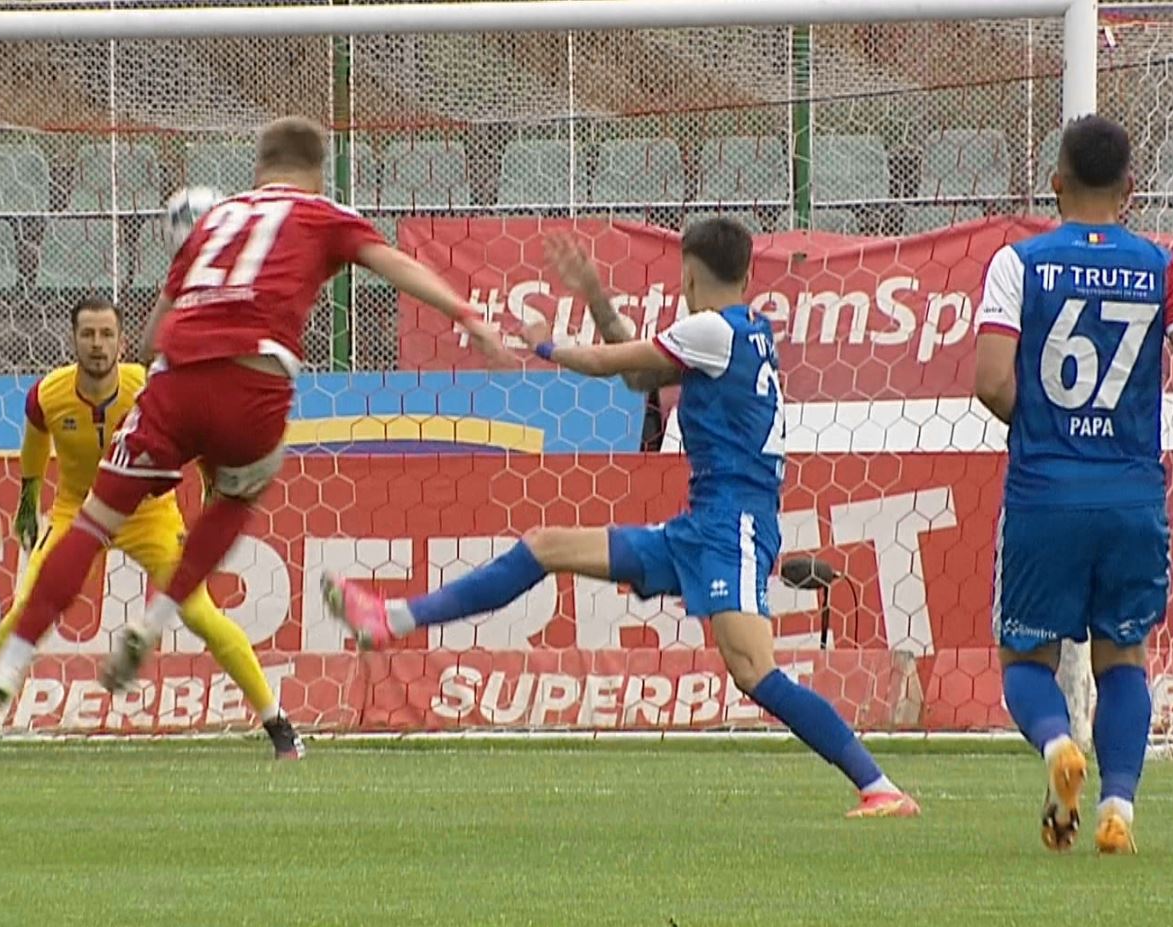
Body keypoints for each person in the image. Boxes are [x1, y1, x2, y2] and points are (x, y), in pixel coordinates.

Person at [324, 217, 920, 819]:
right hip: (703, 526)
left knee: (754, 671)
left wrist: (544, 346)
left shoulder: (712, 330)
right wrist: (594, 296)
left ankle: (879, 786)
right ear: (746, 272)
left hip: (732, 527)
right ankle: (392, 617)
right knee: (546, 546)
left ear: (688, 272)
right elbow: (641, 373)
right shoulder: (743, 331)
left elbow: (613, 366)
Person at [0, 115, 508, 715]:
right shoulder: (321, 214)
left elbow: (155, 329)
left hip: (175, 384)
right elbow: (393, 263)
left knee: (89, 526)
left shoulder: (213, 220)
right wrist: (468, 315)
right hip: (254, 384)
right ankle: (155, 621)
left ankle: (6, 671)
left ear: (259, 168)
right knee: (237, 495)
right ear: (316, 172)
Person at [973, 114, 1173, 854]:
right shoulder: (1162, 266)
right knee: (1122, 656)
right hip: (1132, 496)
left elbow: (991, 381)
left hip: (1043, 494)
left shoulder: (1017, 263)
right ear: (1130, 189)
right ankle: (1118, 801)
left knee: (1028, 660)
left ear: (1054, 182)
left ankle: (1060, 743)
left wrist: (1050, 431)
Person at [0, 297, 302, 760]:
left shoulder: (146, 386)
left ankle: (277, 722)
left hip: (147, 513)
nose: (97, 345)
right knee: (24, 610)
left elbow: (195, 434)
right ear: (73, 340)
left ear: (122, 342)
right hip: (78, 511)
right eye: (88, 334)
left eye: (106, 335)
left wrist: (215, 486)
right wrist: (28, 497)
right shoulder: (47, 394)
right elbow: (35, 442)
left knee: (199, 615)